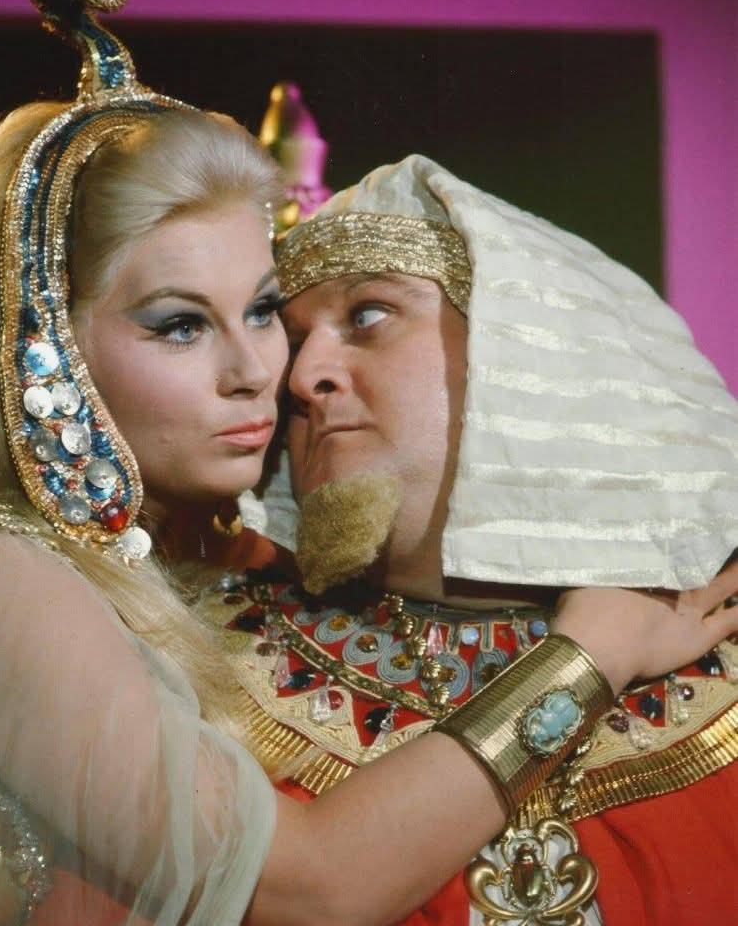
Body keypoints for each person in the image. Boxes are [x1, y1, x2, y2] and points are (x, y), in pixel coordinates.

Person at [0, 0, 734, 926]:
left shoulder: (186, 569)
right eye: (180, 324)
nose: (274, 371)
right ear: (36, 346)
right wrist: (593, 649)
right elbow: (308, 889)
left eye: (261, 312)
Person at [228, 154, 738, 925]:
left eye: (367, 315)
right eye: (293, 343)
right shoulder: (202, 675)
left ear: (525, 346)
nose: (302, 378)